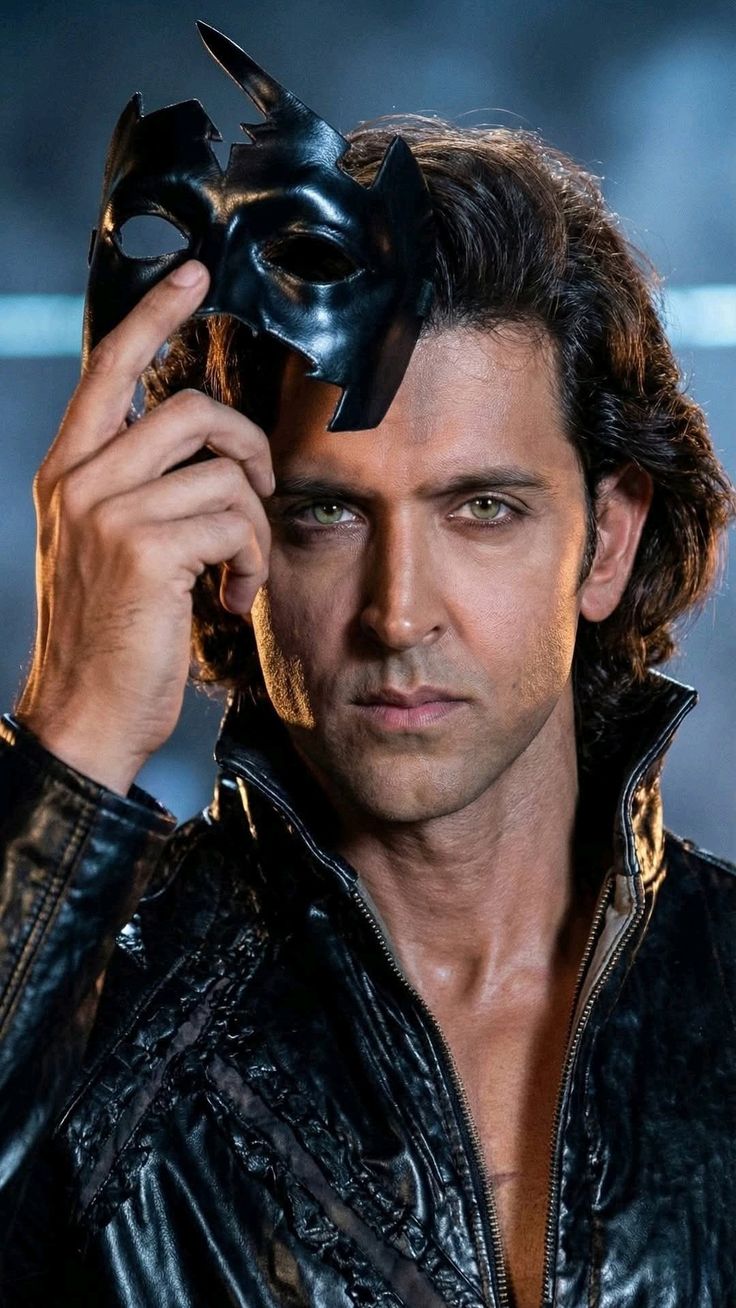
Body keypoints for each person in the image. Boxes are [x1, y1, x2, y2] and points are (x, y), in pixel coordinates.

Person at [0, 115, 734, 1308]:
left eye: (481, 509)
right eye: (326, 514)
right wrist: (70, 740)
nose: (398, 615)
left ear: (606, 542)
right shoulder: (90, 1030)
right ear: (229, 536)